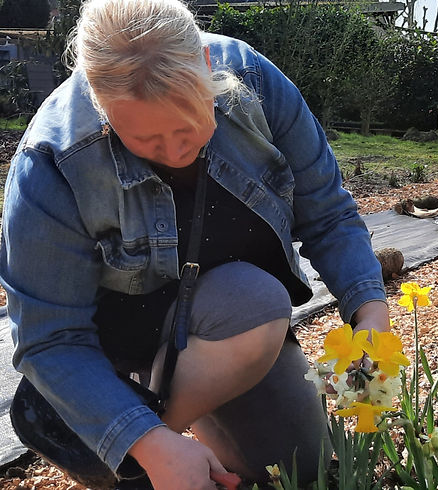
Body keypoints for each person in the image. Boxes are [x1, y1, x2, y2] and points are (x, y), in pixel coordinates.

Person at [0, 0, 390, 488]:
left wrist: (370, 315)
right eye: (146, 140)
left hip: (225, 326)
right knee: (143, 455)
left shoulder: (256, 85)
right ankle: (126, 432)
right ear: (101, 106)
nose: (176, 152)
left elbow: (328, 214)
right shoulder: (52, 161)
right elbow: (51, 337)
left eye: (188, 126)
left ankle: (159, 426)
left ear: (206, 67)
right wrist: (151, 447)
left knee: (298, 468)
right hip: (109, 347)